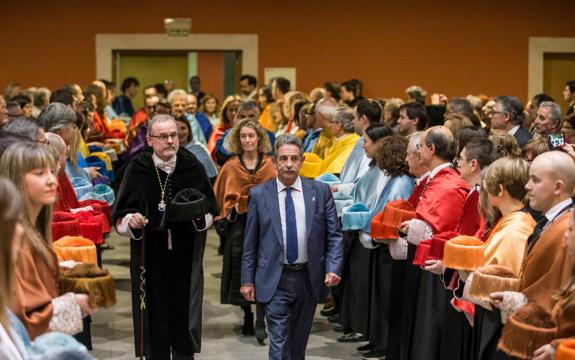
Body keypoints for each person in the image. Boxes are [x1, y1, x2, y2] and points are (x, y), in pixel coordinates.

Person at [113, 114, 219, 359]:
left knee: (183, 312)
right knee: (155, 311)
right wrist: (132, 221)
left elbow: (211, 210)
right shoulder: (137, 168)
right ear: (150, 140)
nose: (171, 141)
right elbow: (120, 216)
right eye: (163, 137)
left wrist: (197, 215)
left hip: (185, 251)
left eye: (175, 135)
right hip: (150, 254)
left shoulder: (191, 165)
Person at [240, 134, 343, 360]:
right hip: (275, 278)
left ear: (302, 160)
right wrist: (247, 280)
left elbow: (333, 235)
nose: (289, 164)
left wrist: (333, 267)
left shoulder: (320, 191)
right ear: (274, 161)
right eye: (283, 158)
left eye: (294, 158)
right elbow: (250, 242)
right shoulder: (259, 195)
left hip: (308, 277)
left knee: (297, 345)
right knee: (278, 343)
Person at [0, 143, 93, 339]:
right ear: (17, 179)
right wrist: (75, 305)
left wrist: (58, 269)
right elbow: (22, 320)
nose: (52, 181)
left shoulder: (32, 228)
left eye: (52, 172)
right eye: (39, 173)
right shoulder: (15, 236)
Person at [490, 151, 575, 359]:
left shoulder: (567, 228)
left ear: (558, 187)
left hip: (543, 338)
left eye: (535, 180)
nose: (527, 186)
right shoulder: (553, 219)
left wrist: (557, 346)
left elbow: (558, 290)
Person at [400, 126, 470, 360]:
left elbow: (441, 229)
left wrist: (410, 227)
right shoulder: (437, 179)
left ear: (432, 148)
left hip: (435, 269)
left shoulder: (449, 183)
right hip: (422, 263)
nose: (417, 152)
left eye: (420, 146)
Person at [214, 119, 277, 342]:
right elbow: (220, 198)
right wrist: (234, 206)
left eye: (251, 135)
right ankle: (248, 314)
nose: (248, 140)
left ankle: (262, 318)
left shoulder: (270, 164)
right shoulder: (231, 166)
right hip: (240, 226)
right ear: (238, 140)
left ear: (259, 138)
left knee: (265, 267)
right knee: (241, 267)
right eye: (243, 136)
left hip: (267, 225)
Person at [174, 115, 217, 183]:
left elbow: (211, 177)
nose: (180, 133)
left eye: (183, 128)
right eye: (176, 130)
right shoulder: (169, 151)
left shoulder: (199, 149)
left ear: (189, 129)